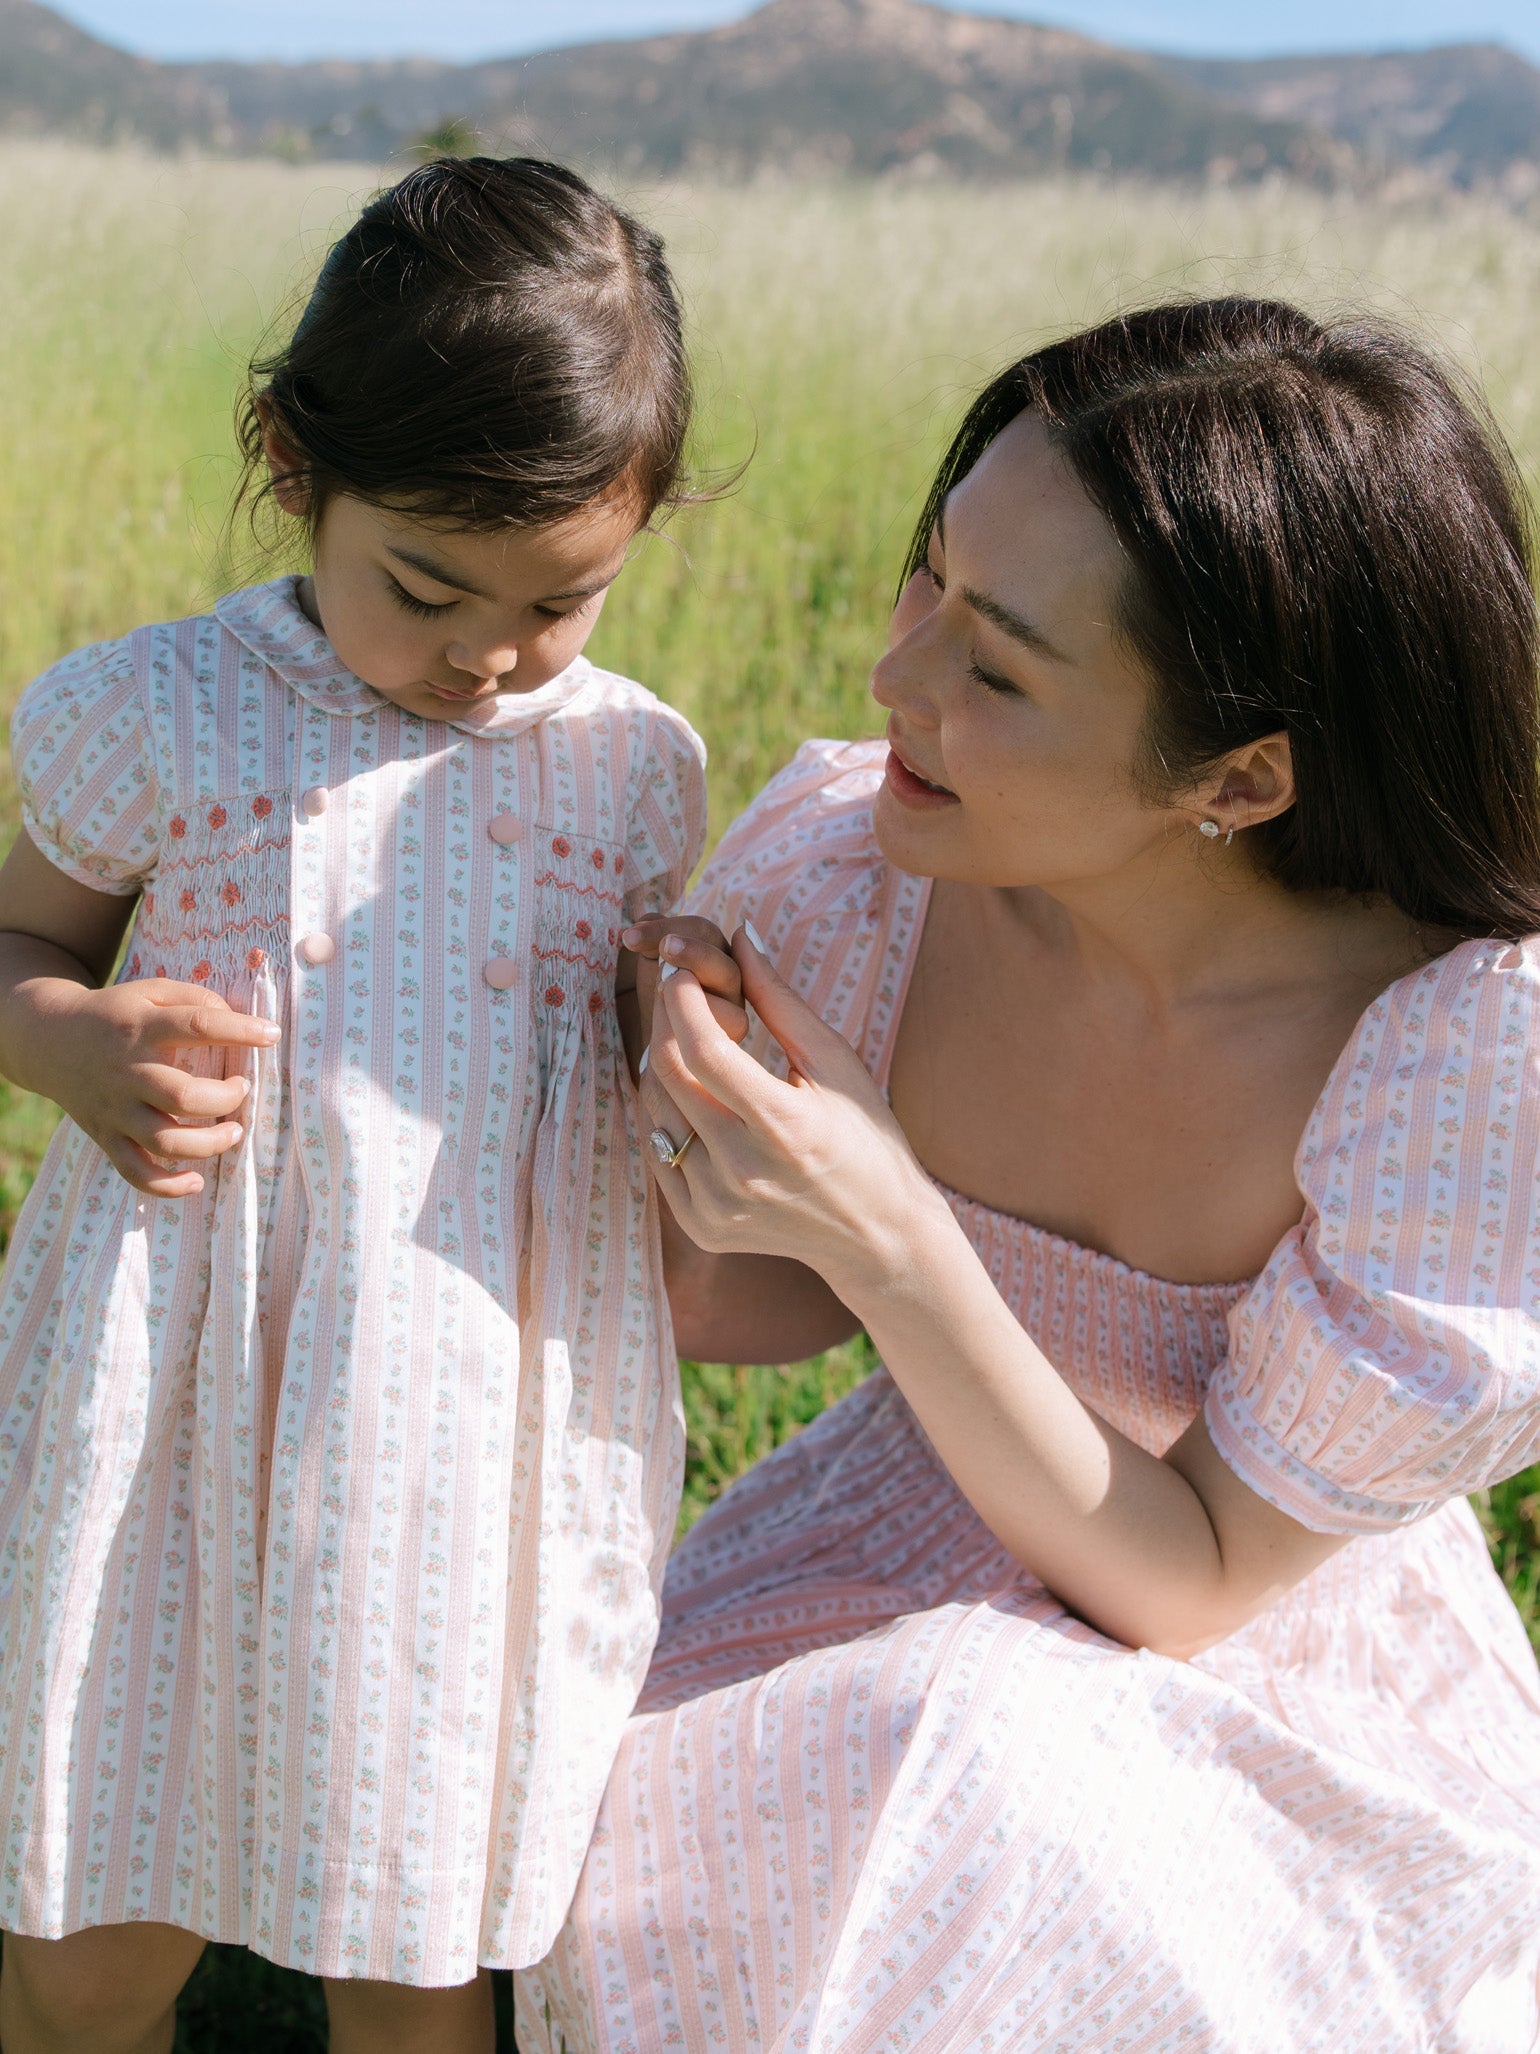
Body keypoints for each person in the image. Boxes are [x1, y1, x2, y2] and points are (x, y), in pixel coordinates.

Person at [519, 300, 1540, 2050]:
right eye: (929, 581)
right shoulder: (867, 880)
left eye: (996, 667)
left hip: (1254, 1648)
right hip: (890, 1553)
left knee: (1015, 1787)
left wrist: (899, 1235)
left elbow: (1199, 1574)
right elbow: (739, 1305)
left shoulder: (1457, 1057)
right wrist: (677, 1111)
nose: (894, 678)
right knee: (857, 1767)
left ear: (1241, 776)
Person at [0, 156, 706, 2054]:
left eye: (562, 599)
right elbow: (14, 939)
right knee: (95, 1932)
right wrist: (66, 1041)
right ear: (293, 465)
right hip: (174, 1384)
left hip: (467, 1416)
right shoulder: (167, 712)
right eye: (426, 585)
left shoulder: (631, 770)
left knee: (421, 1930)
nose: (486, 650)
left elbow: (621, 1047)